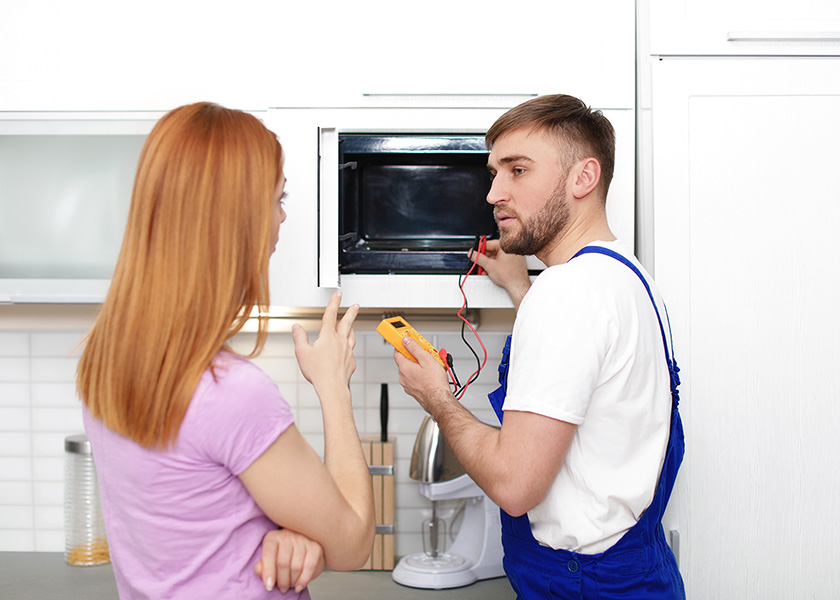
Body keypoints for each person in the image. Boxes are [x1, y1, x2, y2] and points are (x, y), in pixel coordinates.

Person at [76, 102, 375, 599]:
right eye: (277, 200)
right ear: (236, 222)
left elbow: (202, 523)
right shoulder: (230, 393)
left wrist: (299, 537)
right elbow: (354, 542)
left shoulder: (103, 365)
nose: (282, 219)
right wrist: (333, 388)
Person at [392, 95, 685, 599]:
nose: (494, 193)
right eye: (494, 173)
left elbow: (514, 485)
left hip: (583, 583)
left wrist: (437, 399)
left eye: (518, 170)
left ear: (583, 178)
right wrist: (518, 288)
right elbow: (584, 374)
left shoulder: (568, 293)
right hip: (637, 569)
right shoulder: (625, 276)